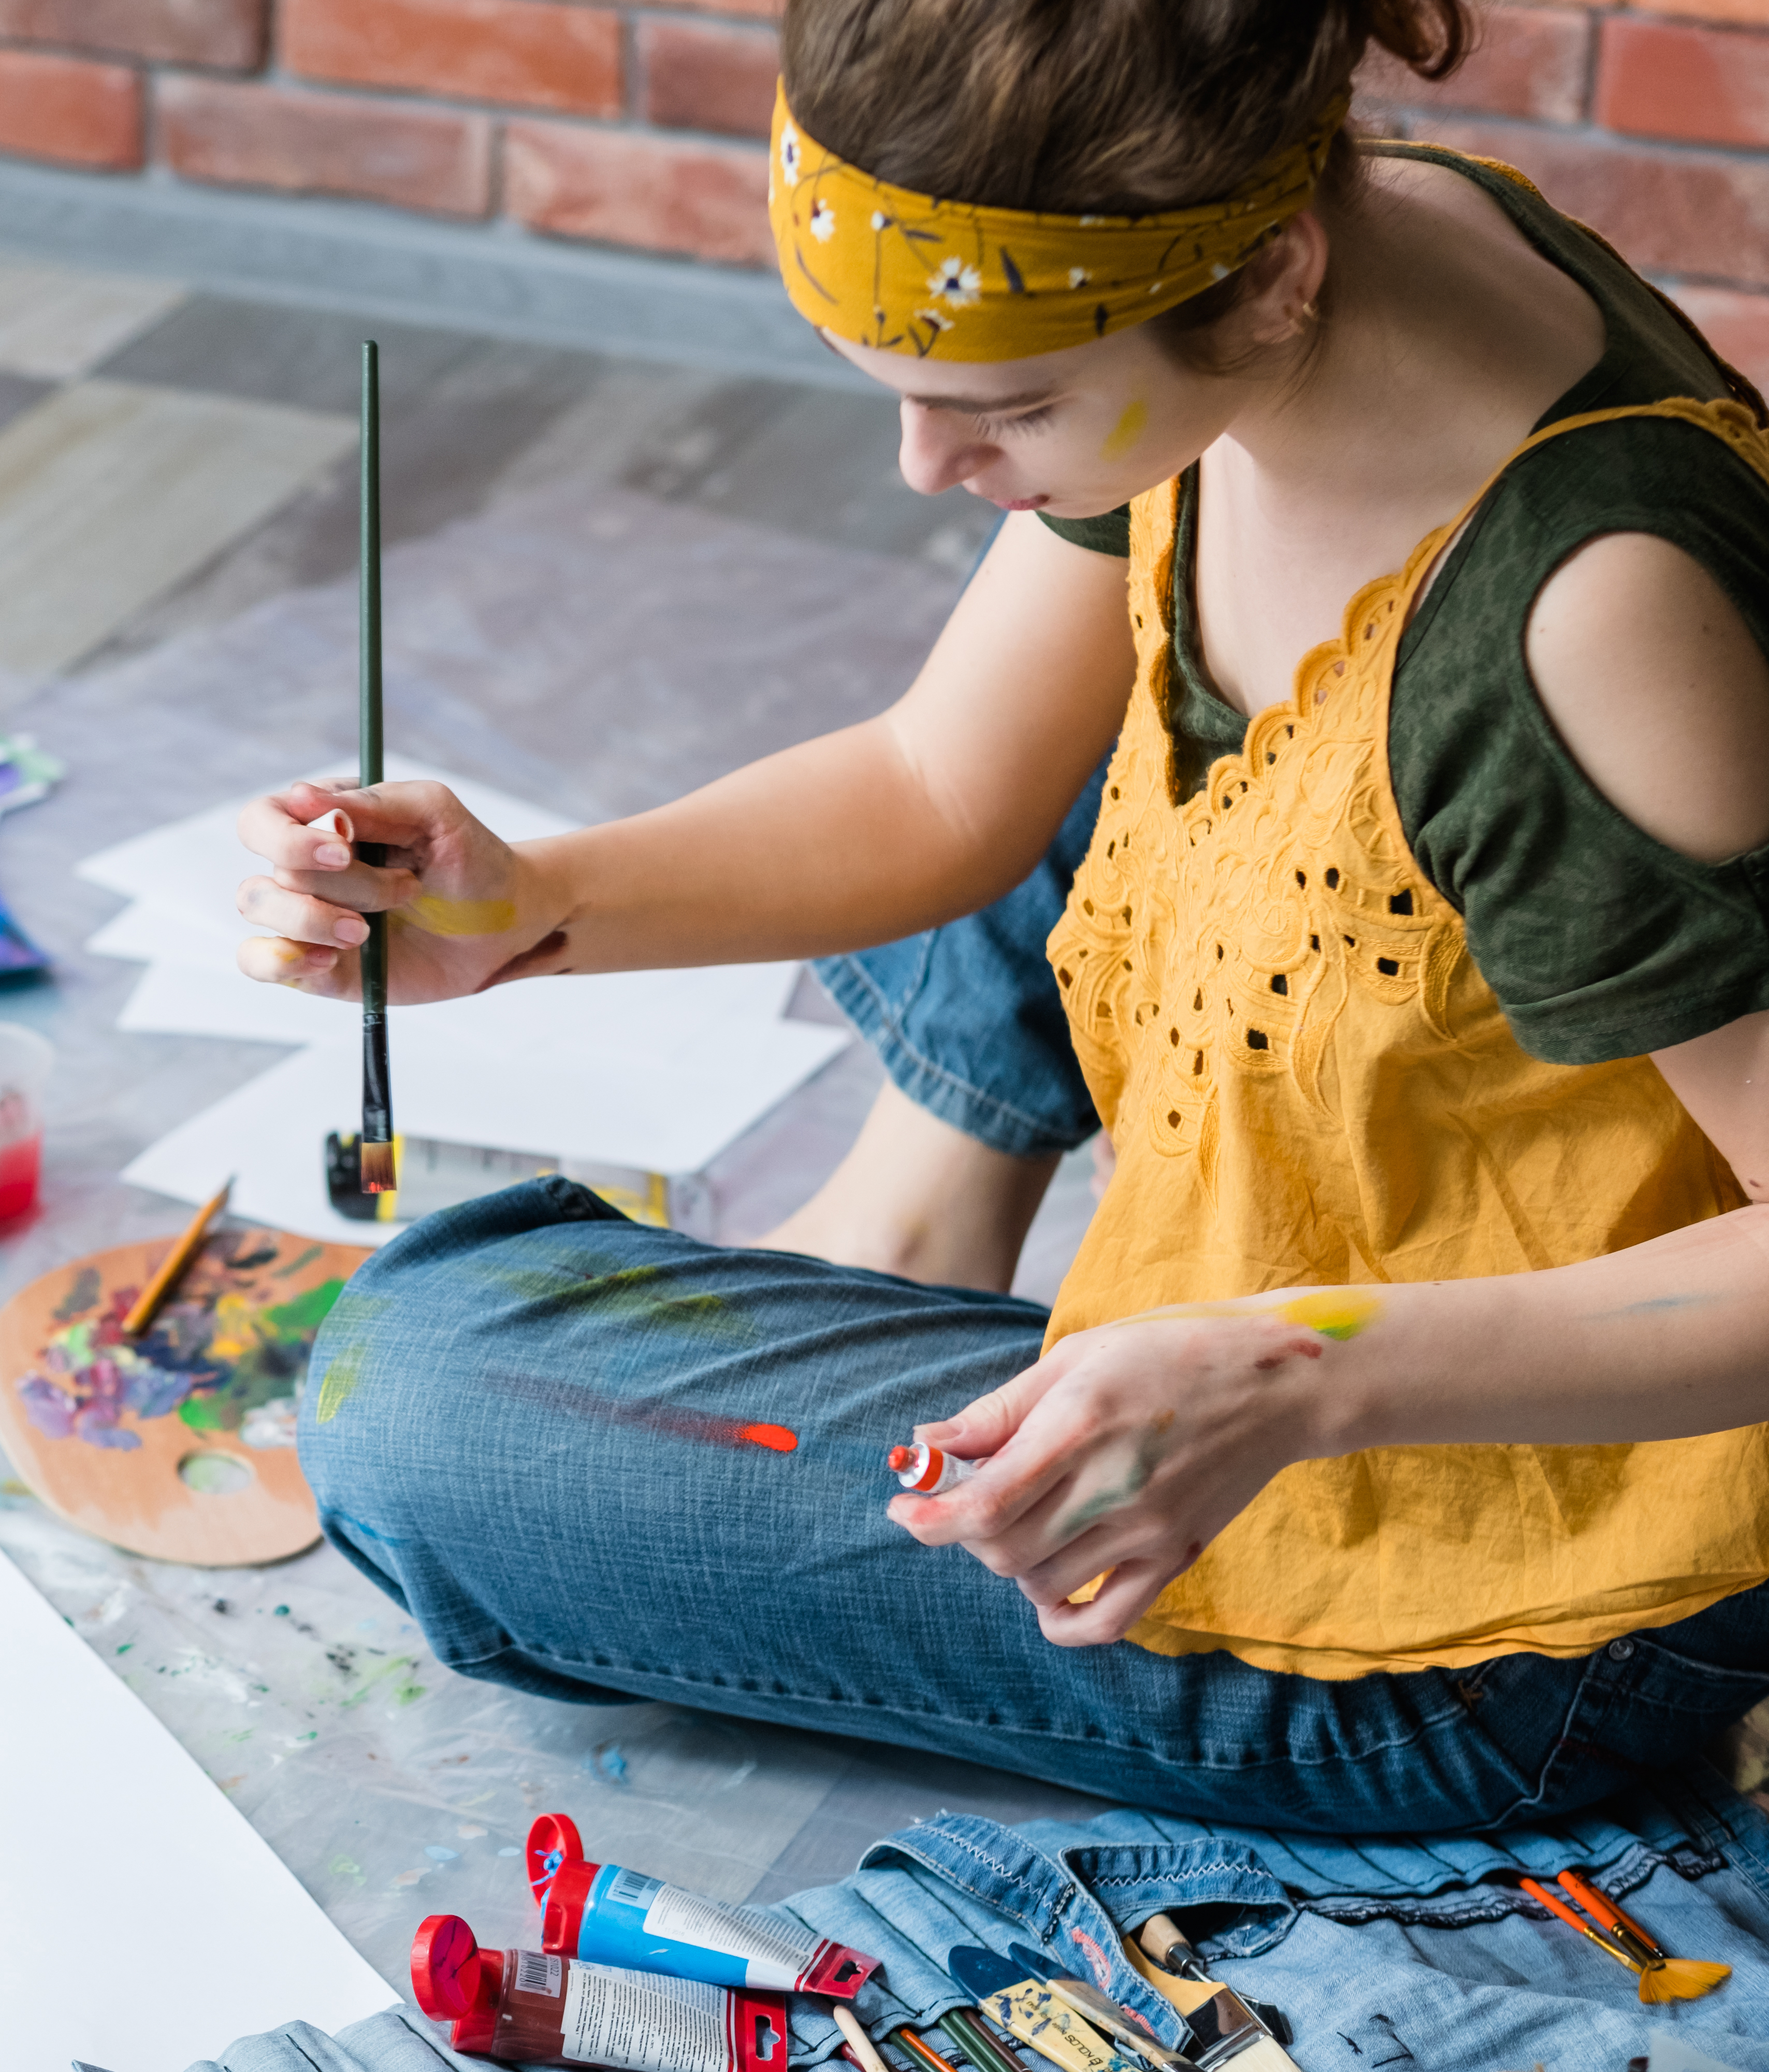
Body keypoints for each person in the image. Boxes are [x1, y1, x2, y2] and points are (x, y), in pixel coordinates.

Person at [231, 0, 1769, 1834]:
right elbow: (939, 787)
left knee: (417, 1397)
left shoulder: (1586, 623)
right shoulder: (1319, 252)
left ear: (1270, 277)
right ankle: (909, 1225)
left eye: (1003, 405)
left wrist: (1293, 1374)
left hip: (1524, 1609)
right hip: (1375, 1186)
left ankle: (974, 1296)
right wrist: (537, 900)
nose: (919, 471)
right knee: (1123, 720)